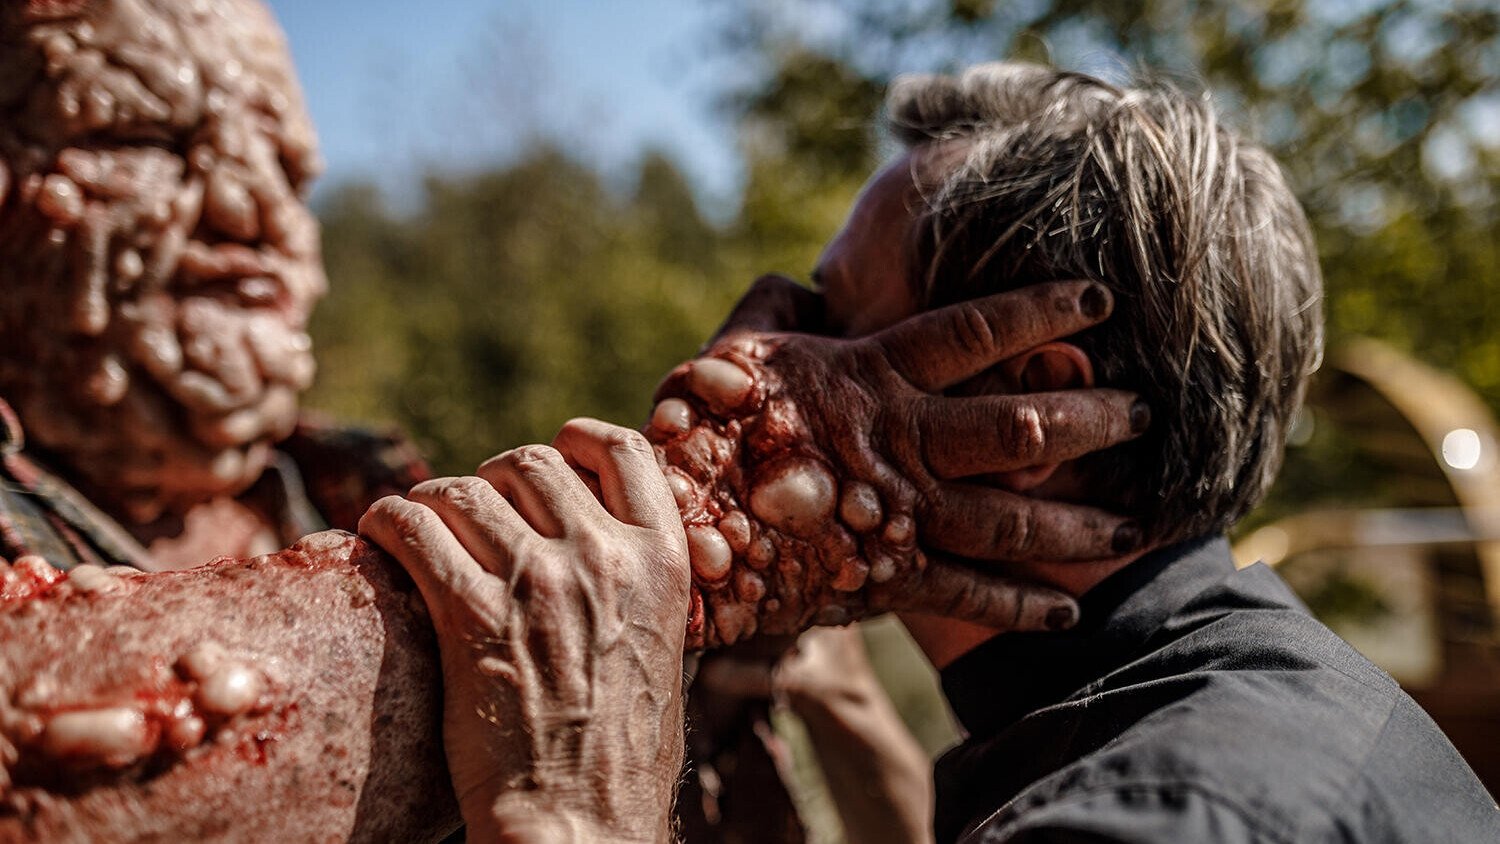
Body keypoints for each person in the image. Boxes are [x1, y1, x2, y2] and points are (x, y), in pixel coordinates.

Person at [0, 3, 1152, 838]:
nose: (254, 210)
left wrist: (701, 660)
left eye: (293, 171)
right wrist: (718, 526)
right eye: (146, 143)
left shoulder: (363, 488)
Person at [387, 63, 1500, 840]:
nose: (740, 345)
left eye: (822, 312)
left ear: (1028, 415)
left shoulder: (1175, 808)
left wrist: (577, 808)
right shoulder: (1207, 710)